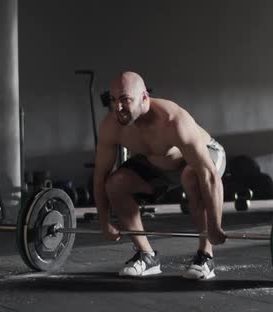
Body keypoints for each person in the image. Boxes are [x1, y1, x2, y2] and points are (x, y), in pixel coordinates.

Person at [93, 71, 227, 280]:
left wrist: (215, 226)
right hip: (159, 166)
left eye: (124, 99)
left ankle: (205, 255)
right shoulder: (112, 126)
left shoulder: (173, 120)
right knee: (115, 183)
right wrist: (103, 221)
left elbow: (207, 173)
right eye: (112, 100)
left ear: (144, 97)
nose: (117, 108)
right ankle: (147, 256)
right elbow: (100, 175)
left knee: (191, 177)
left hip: (204, 157)